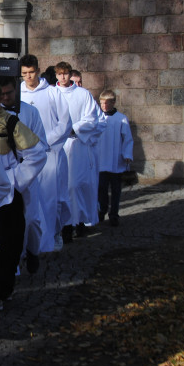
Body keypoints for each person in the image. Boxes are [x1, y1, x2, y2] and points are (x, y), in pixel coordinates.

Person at [0, 78, 46, 334]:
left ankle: (3, 289)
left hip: (7, 190)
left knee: (9, 241)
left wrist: (15, 181)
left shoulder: (12, 123)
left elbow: (37, 154)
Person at [18, 55, 72, 249]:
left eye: (31, 72)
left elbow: (65, 122)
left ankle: (51, 235)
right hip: (25, 155)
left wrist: (44, 141)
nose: (28, 77)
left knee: (51, 198)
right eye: (24, 73)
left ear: (38, 70)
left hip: (49, 153)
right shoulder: (19, 94)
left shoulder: (52, 92)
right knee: (30, 200)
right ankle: (29, 242)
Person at [0, 75, 49, 271]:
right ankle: (13, 264)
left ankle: (33, 250)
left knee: (32, 218)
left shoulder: (30, 112)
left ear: (16, 91)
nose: (5, 98)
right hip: (4, 176)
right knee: (7, 223)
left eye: (9, 93)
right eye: (1, 94)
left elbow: (41, 144)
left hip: (26, 173)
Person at [55, 61, 106, 237]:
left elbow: (92, 118)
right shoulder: (51, 94)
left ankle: (78, 222)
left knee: (76, 186)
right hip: (57, 145)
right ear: (56, 75)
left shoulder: (83, 94)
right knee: (60, 186)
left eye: (66, 73)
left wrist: (74, 129)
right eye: (60, 74)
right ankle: (64, 226)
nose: (63, 77)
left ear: (70, 74)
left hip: (77, 144)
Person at [95, 89, 133, 227]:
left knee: (116, 190)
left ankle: (114, 214)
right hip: (100, 160)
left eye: (107, 103)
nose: (104, 105)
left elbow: (127, 138)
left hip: (116, 161)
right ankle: (102, 210)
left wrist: (127, 154)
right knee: (101, 189)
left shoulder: (121, 118)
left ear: (113, 102)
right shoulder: (96, 117)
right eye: (102, 103)